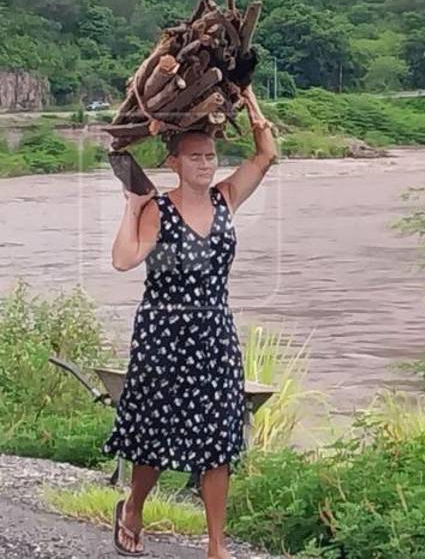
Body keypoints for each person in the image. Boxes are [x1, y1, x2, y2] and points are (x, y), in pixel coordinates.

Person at [105, 86, 277, 558]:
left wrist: (252, 105)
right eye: (195, 157)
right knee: (156, 436)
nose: (206, 164)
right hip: (163, 336)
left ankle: (216, 545)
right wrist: (131, 207)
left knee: (219, 438)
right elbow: (123, 260)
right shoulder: (158, 211)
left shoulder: (225, 199)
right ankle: (134, 508)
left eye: (211, 155)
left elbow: (266, 156)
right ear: (175, 163)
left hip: (215, 334)